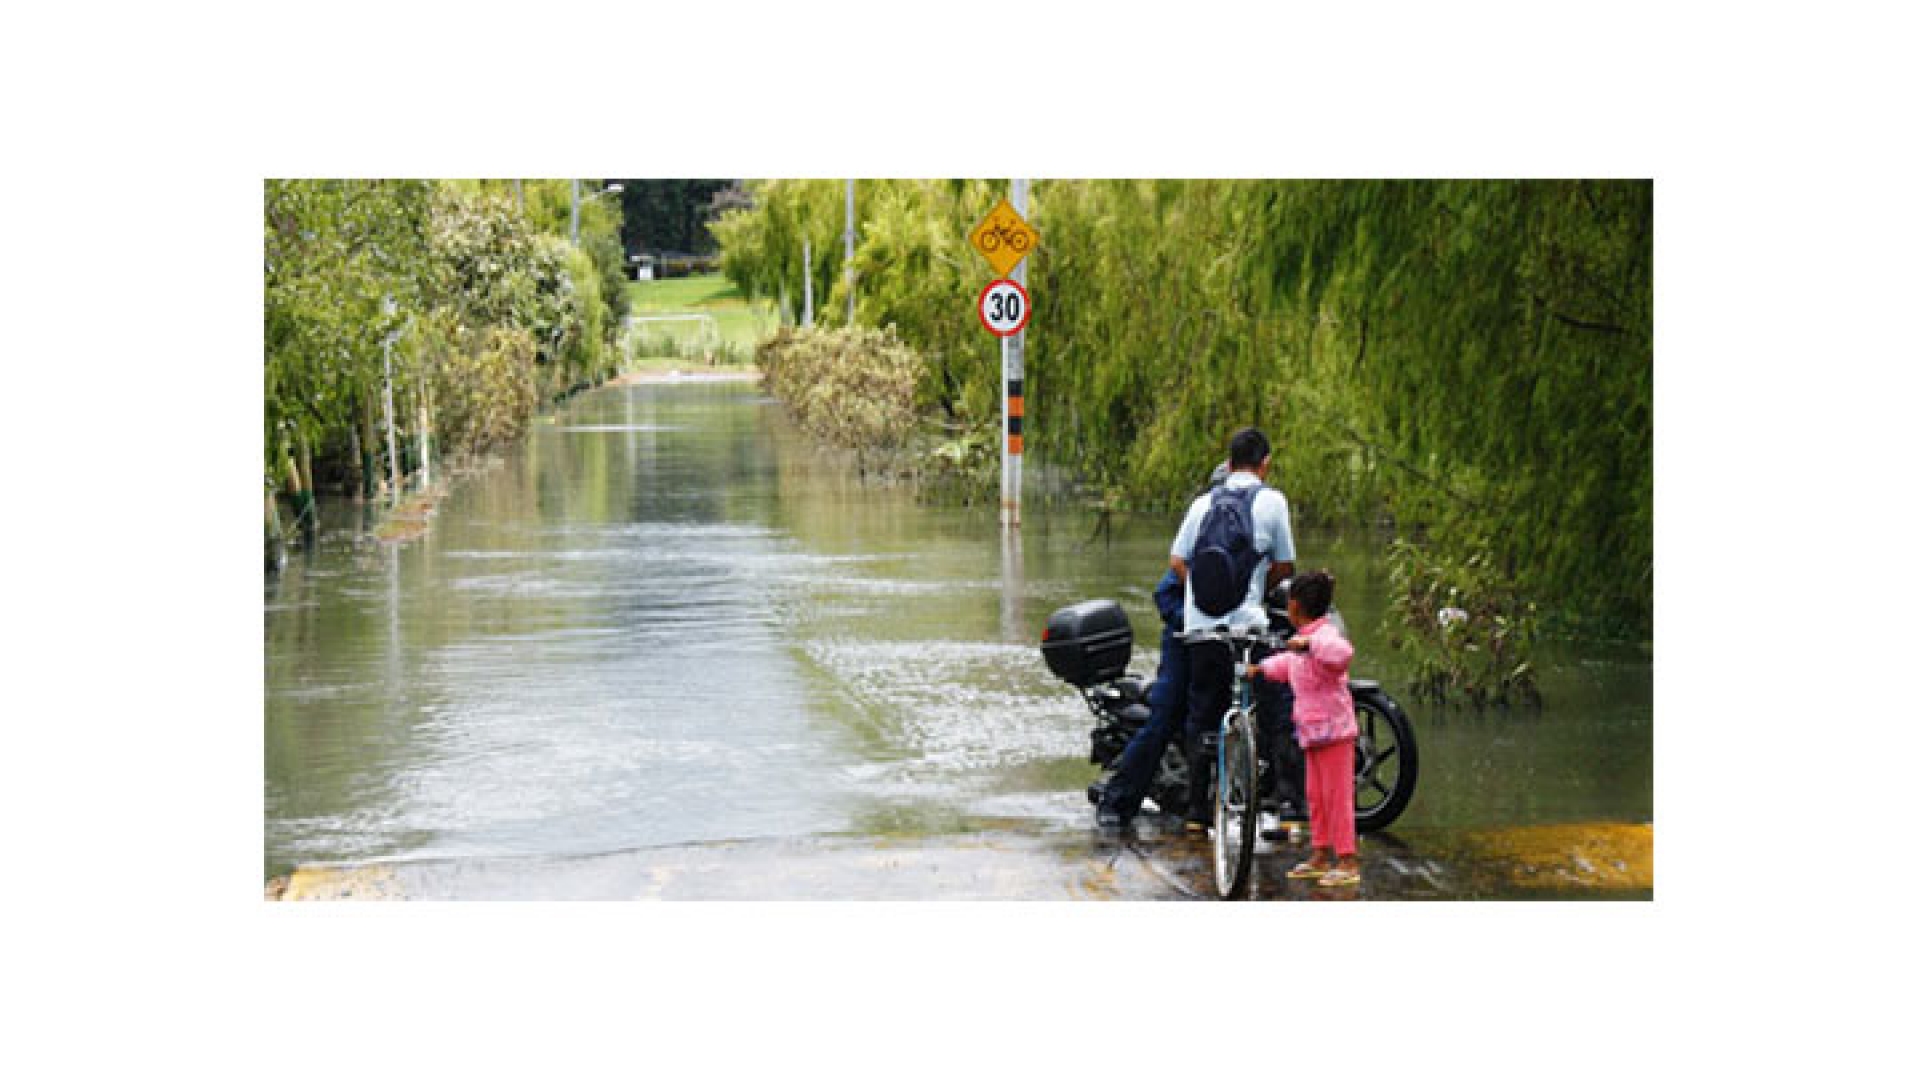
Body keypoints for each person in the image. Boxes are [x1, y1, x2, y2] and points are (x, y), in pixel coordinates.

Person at [1169, 427, 1299, 831]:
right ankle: (1285, 803)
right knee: (1276, 706)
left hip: (1201, 628)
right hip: (1248, 626)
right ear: (1265, 464)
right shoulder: (1272, 501)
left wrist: (1202, 593)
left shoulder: (1202, 503)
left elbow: (1177, 561)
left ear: (1228, 464)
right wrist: (1254, 591)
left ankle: (1196, 811)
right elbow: (1285, 565)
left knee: (1202, 711)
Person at [1250, 570, 1360, 886]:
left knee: (1337, 798)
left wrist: (1310, 643)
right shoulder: (1302, 642)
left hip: (1335, 734)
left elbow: (1342, 653)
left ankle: (1348, 860)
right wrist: (1261, 669)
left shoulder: (1323, 635)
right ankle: (1320, 853)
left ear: (1294, 606)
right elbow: (1288, 664)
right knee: (1316, 796)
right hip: (1312, 735)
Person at [1095, 567, 1193, 829]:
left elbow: (1281, 571)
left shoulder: (1265, 545)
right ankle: (1117, 802)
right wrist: (1191, 620)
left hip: (1239, 638)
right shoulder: (1196, 543)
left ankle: (1289, 804)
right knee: (1164, 718)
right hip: (1187, 640)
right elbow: (1165, 593)